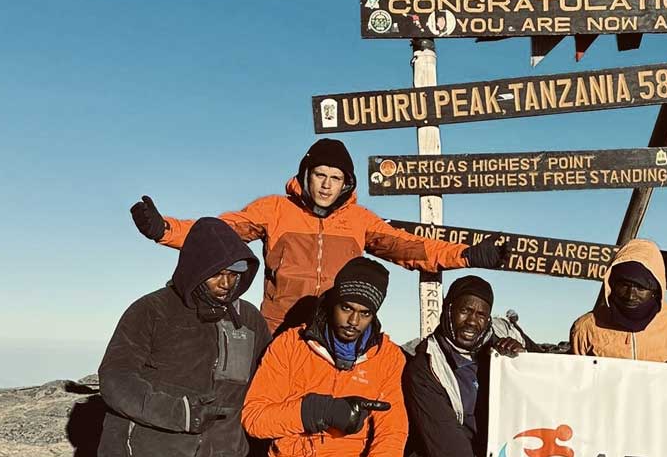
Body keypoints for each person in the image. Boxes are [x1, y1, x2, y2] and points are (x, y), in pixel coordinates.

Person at [130, 138, 508, 333]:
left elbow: (409, 247)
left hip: (335, 330)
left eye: (335, 178)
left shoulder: (359, 219)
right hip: (277, 329)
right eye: (320, 175)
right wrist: (164, 229)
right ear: (306, 174)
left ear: (347, 183)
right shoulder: (274, 209)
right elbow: (219, 234)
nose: (326, 185)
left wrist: (469, 255)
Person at [97, 218, 270, 457]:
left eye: (235, 273)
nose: (227, 283)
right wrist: (181, 413)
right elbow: (116, 379)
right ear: (196, 269)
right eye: (218, 273)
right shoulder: (151, 310)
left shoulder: (250, 320)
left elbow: (268, 384)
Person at [242, 257, 405, 457]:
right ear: (332, 303)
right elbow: (254, 418)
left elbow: (392, 433)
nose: (353, 322)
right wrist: (318, 410)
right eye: (346, 308)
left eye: (365, 313)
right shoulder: (290, 345)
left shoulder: (386, 357)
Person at [389, 276, 528, 457]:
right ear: (448, 310)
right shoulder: (426, 367)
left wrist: (523, 362)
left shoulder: (503, 345)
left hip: (504, 456)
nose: (472, 321)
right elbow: (450, 453)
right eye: (465, 311)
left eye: (481, 314)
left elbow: (545, 389)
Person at [570, 238, 667, 363]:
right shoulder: (586, 327)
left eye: (640, 288)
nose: (630, 295)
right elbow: (576, 381)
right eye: (624, 285)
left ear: (655, 289)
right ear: (612, 283)